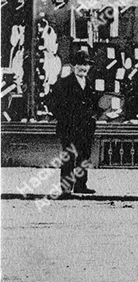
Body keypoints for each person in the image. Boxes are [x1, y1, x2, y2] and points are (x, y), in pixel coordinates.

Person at [49, 50, 99, 197]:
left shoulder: (89, 83)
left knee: (84, 157)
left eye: (86, 65)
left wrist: (92, 118)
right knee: (69, 157)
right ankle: (65, 188)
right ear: (73, 66)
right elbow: (53, 103)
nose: (83, 67)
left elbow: (93, 104)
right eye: (80, 64)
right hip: (69, 127)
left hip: (85, 128)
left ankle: (80, 185)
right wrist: (64, 118)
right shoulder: (64, 83)